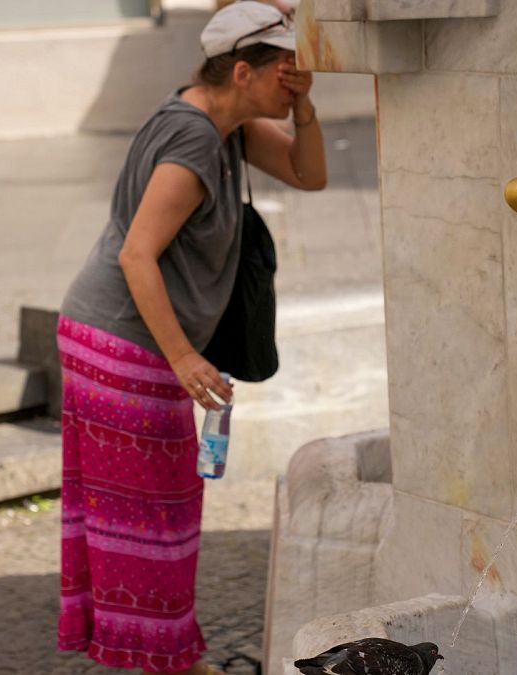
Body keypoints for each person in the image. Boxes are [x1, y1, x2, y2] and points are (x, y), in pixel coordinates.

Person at [55, 2, 325, 673]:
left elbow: (308, 174)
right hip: (124, 343)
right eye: (287, 75)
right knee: (150, 521)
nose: (296, 82)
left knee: (154, 517)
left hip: (120, 340)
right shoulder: (196, 140)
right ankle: (166, 659)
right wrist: (181, 354)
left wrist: (306, 111)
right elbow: (136, 254)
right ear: (242, 70)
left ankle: (162, 654)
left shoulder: (224, 123)